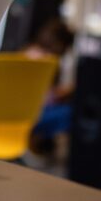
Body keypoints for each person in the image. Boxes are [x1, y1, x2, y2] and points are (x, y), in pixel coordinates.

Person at [24, 17, 75, 157]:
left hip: (13, 114)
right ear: (61, 44)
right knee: (72, 113)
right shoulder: (47, 62)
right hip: (33, 115)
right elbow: (47, 98)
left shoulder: (27, 52)